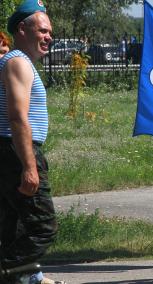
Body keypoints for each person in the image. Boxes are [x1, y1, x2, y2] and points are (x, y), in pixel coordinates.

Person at [0, 1, 64, 283]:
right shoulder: (17, 62)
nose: (49, 36)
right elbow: (17, 118)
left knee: (10, 227)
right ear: (22, 28)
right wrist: (29, 166)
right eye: (43, 30)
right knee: (42, 227)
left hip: (11, 150)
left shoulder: (17, 62)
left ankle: (20, 277)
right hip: (17, 152)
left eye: (50, 32)